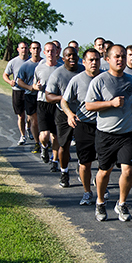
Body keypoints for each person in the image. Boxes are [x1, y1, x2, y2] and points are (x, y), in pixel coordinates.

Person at [85, 44, 132, 222]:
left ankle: (122, 203)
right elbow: (89, 105)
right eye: (117, 57)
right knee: (104, 171)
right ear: (108, 59)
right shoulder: (100, 80)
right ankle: (101, 202)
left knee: (128, 169)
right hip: (106, 134)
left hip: (128, 133)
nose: (121, 60)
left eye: (124, 56)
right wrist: (110, 104)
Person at [61, 48, 101, 205]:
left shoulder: (106, 77)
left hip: (104, 126)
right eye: (90, 60)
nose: (94, 63)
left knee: (105, 162)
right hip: (83, 125)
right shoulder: (77, 80)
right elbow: (64, 101)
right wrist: (70, 115)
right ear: (83, 62)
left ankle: (101, 187)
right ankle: (87, 192)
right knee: (85, 162)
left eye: (97, 59)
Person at [46, 47, 84, 187]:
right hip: (63, 113)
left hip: (83, 113)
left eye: (74, 55)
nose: (72, 58)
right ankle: (64, 172)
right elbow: (48, 95)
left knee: (84, 145)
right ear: (63, 58)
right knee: (64, 145)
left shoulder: (83, 70)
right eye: (69, 56)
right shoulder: (57, 74)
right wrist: (64, 98)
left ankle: (82, 168)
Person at [32, 42, 59, 171]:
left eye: (52, 51)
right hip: (42, 103)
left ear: (56, 52)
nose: (50, 53)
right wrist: (36, 87)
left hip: (56, 104)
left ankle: (54, 161)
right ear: (44, 52)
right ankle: (44, 147)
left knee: (55, 135)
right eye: (47, 51)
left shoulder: (60, 68)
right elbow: (34, 85)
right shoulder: (39, 68)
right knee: (44, 135)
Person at [2, 42, 30, 145]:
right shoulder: (13, 62)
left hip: (30, 91)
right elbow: (5, 75)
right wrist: (10, 82)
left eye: (26, 48)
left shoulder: (32, 61)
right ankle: (23, 136)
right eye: (22, 48)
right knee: (21, 115)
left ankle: (29, 127)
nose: (24, 50)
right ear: (18, 49)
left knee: (31, 115)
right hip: (17, 91)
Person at [17, 41, 42, 153]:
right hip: (30, 96)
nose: (36, 50)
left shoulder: (44, 63)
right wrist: (30, 87)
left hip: (44, 96)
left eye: (37, 48)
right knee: (34, 121)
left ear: (41, 50)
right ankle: (37, 143)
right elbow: (19, 81)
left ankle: (47, 142)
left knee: (45, 120)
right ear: (30, 50)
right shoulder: (25, 65)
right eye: (33, 48)